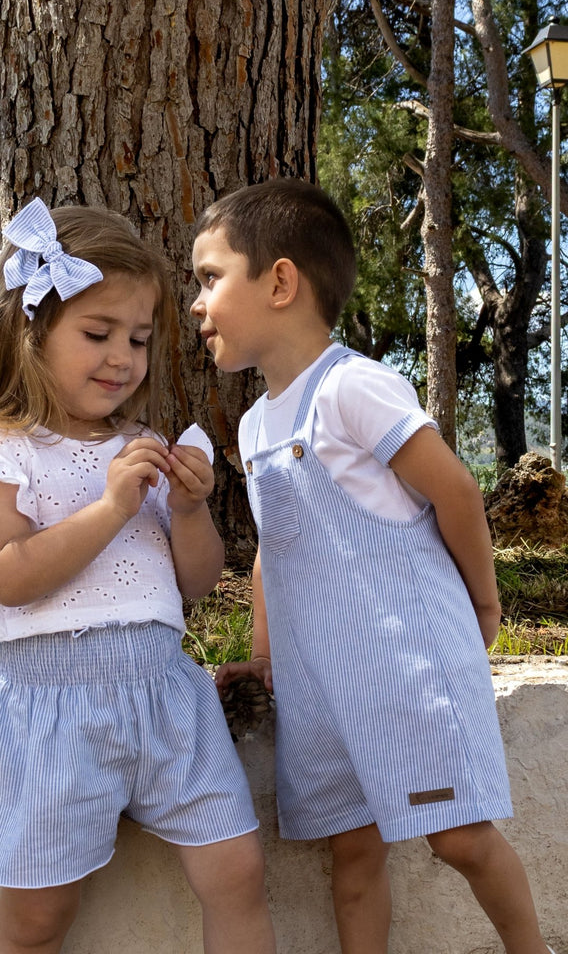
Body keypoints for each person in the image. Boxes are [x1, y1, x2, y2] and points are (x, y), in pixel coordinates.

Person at [189, 178, 554, 954]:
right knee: (350, 853)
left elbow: (454, 491)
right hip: (319, 686)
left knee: (457, 838)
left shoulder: (354, 386)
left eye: (210, 278)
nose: (197, 303)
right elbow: (272, 554)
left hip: (402, 670)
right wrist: (262, 654)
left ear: (280, 281)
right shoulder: (256, 424)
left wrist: (483, 606)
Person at [0, 198, 276, 954]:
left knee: (238, 872)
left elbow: (194, 583)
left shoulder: (143, 443)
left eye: (139, 339)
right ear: (29, 331)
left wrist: (184, 512)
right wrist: (113, 505)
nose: (123, 357)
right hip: (53, 712)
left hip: (170, 698)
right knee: (39, 918)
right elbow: (9, 575)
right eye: (97, 332)